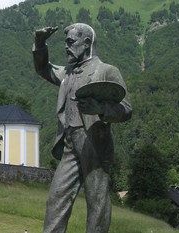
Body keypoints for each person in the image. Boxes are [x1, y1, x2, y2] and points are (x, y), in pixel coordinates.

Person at [32, 23, 132, 233]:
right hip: (70, 144)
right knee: (56, 198)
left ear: (86, 43)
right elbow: (44, 69)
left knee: (97, 202)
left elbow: (126, 109)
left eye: (71, 42)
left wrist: (101, 108)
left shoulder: (106, 71)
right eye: (65, 43)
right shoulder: (68, 73)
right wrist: (40, 43)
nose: (66, 47)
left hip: (94, 143)